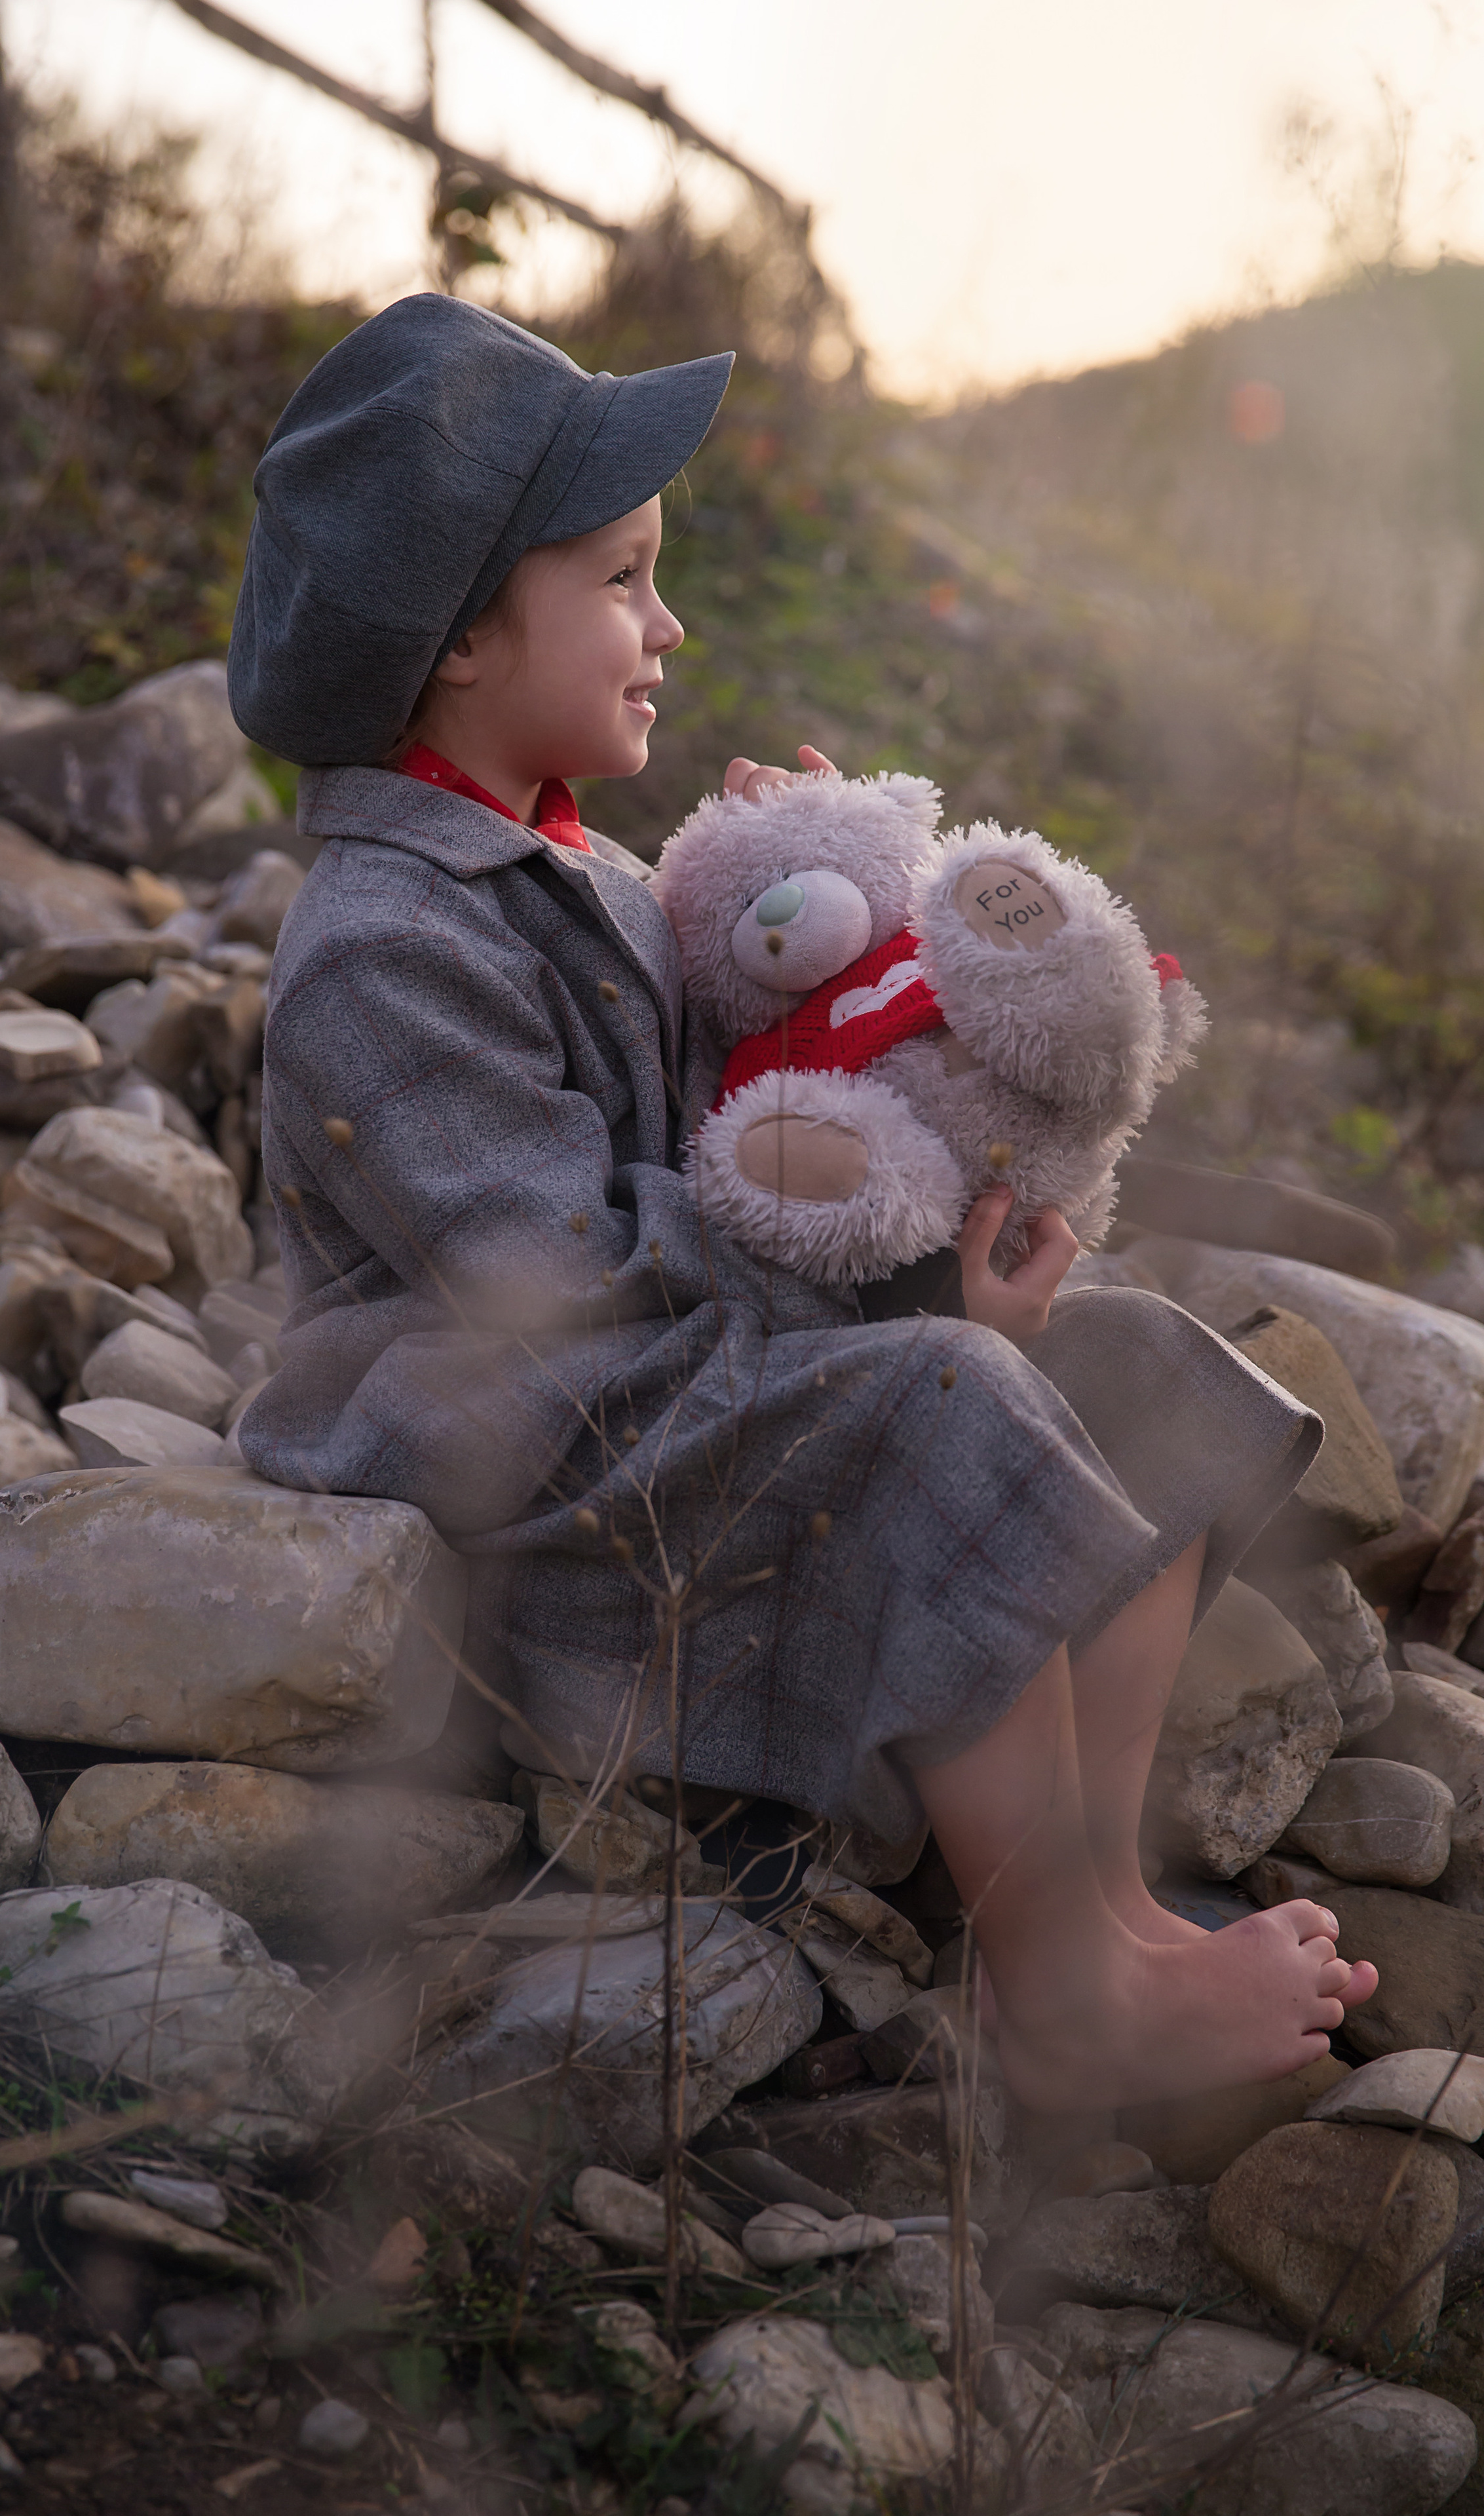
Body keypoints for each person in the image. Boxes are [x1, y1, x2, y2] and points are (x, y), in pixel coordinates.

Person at [228, 294, 1375, 2111]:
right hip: (537, 1460)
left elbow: (729, 1102)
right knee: (951, 1397)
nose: (666, 624)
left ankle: (1100, 1905)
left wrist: (784, 914)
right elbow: (562, 1264)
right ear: (454, 642)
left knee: (1138, 1364)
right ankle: (1064, 1985)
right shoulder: (379, 943)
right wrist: (901, 1294)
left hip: (668, 1384)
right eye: (620, 579)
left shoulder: (580, 866)